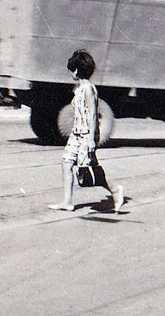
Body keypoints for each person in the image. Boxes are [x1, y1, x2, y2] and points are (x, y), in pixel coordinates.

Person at [49, 49, 123, 213]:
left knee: (90, 170)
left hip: (85, 135)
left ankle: (115, 190)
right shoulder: (80, 89)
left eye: (72, 70)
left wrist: (91, 139)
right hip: (76, 134)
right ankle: (67, 201)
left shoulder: (88, 89)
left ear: (77, 70)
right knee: (66, 163)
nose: (70, 73)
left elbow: (92, 114)